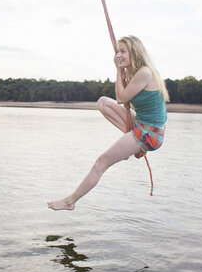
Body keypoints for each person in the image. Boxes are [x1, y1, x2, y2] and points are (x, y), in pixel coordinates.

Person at [47, 35, 169, 211]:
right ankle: (133, 143)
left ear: (134, 52)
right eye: (117, 51)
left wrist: (118, 71)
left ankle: (70, 201)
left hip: (149, 133)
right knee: (103, 102)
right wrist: (122, 72)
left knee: (101, 162)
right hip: (143, 125)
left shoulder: (145, 72)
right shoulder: (136, 73)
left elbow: (121, 98)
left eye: (122, 51)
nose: (118, 55)